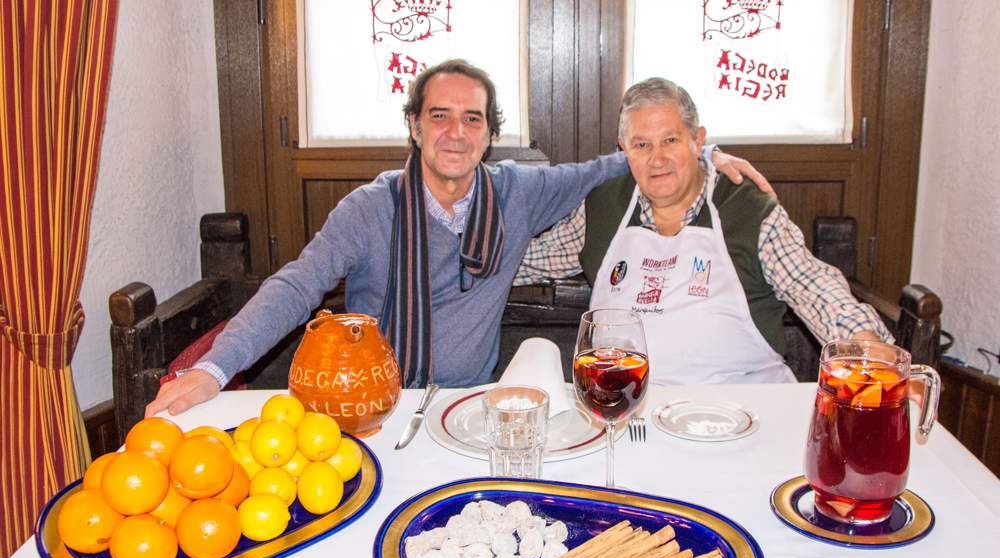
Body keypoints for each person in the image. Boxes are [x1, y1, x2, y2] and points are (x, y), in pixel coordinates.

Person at [146, 61, 768, 416]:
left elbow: (624, 162)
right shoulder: (370, 209)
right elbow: (298, 285)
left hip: (469, 411)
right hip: (372, 411)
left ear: (488, 135)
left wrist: (705, 152)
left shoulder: (518, 192)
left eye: (472, 118)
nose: (455, 131)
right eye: (438, 115)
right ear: (414, 127)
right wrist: (214, 369)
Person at [515, 77, 890, 384]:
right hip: (628, 408)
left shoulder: (747, 209)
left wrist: (862, 342)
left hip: (747, 411)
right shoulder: (602, 208)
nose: (656, 159)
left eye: (671, 140)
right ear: (623, 150)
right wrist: (464, 263)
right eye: (641, 145)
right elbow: (524, 261)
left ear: (698, 141)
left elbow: (812, 284)